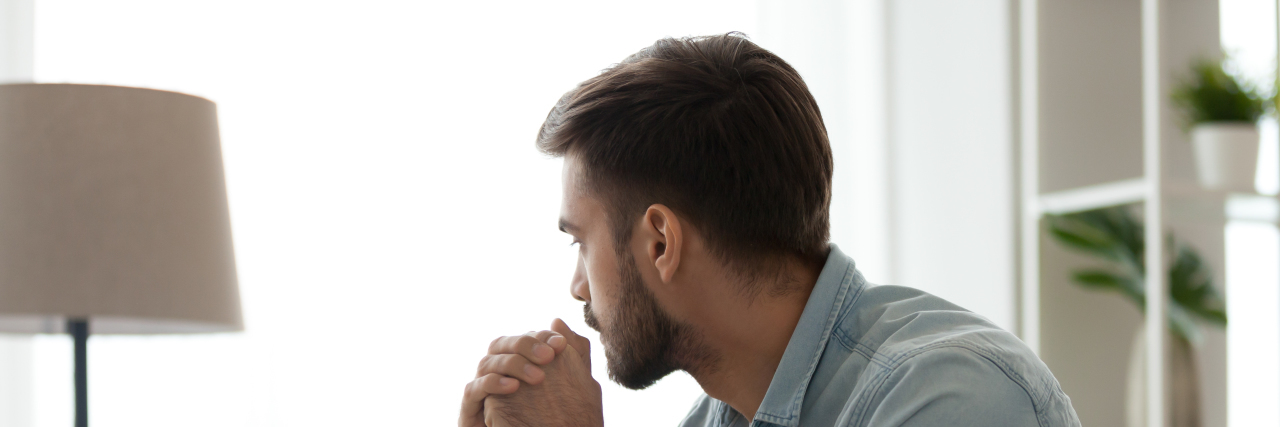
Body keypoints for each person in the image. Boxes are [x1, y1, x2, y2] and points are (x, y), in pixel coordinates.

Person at [458, 33, 1080, 427]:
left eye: (580, 243)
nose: (577, 288)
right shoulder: (716, 419)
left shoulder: (951, 398)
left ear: (660, 243)